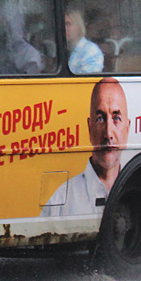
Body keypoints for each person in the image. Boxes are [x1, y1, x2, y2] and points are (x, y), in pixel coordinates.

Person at [42, 78, 129, 216]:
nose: (108, 134)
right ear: (89, 128)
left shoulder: (139, 192)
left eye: (116, 118)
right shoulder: (60, 199)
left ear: (127, 128)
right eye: (100, 119)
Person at [65, 9, 104, 74]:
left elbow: (87, 82)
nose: (65, 28)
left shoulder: (91, 51)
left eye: (68, 24)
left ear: (78, 26)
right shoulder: (65, 49)